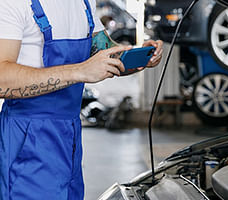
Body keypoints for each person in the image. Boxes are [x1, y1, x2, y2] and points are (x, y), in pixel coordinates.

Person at [0, 0, 163, 199]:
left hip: (71, 136)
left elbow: (104, 50)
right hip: (27, 138)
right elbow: (2, 78)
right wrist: (80, 71)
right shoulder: (14, 3)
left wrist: (139, 56)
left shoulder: (83, 2)